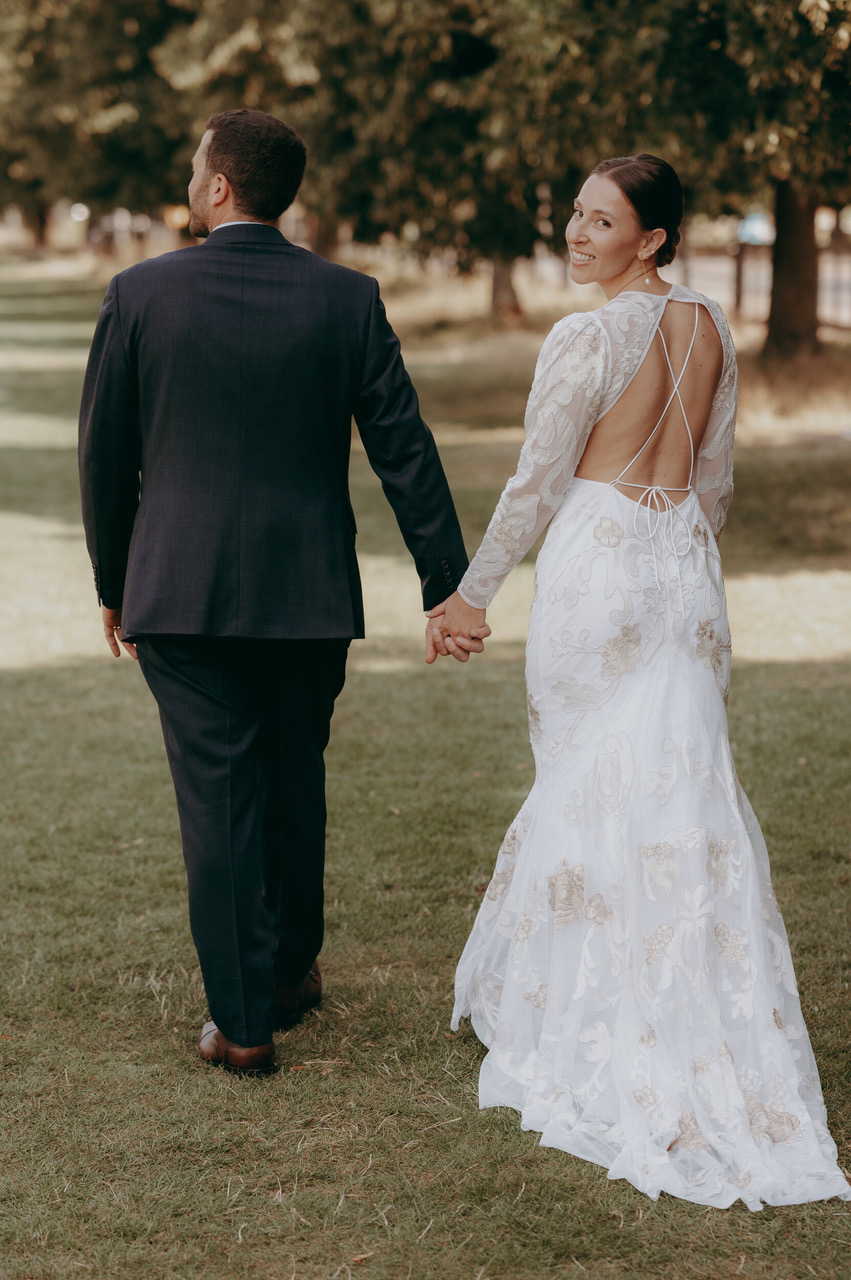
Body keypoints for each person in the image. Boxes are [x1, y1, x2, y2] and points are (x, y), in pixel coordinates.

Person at [426, 155, 850, 1209]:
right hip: (682, 575)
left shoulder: (583, 334)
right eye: (572, 213)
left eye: (600, 220)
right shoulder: (709, 326)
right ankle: (692, 1001)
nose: (576, 233)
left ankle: (584, 1011)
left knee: (580, 777)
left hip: (599, 566)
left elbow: (534, 481)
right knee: (679, 791)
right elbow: (713, 481)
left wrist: (467, 596)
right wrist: (675, 561)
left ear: (649, 239)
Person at [79, 109, 478, 1075]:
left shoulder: (139, 294)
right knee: (295, 776)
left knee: (218, 797)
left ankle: (246, 1024)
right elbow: (404, 451)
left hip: (178, 590)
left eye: (191, 162)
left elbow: (104, 458)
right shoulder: (347, 299)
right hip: (308, 595)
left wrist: (113, 581)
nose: (187, 174)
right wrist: (446, 585)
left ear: (218, 186)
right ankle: (290, 971)